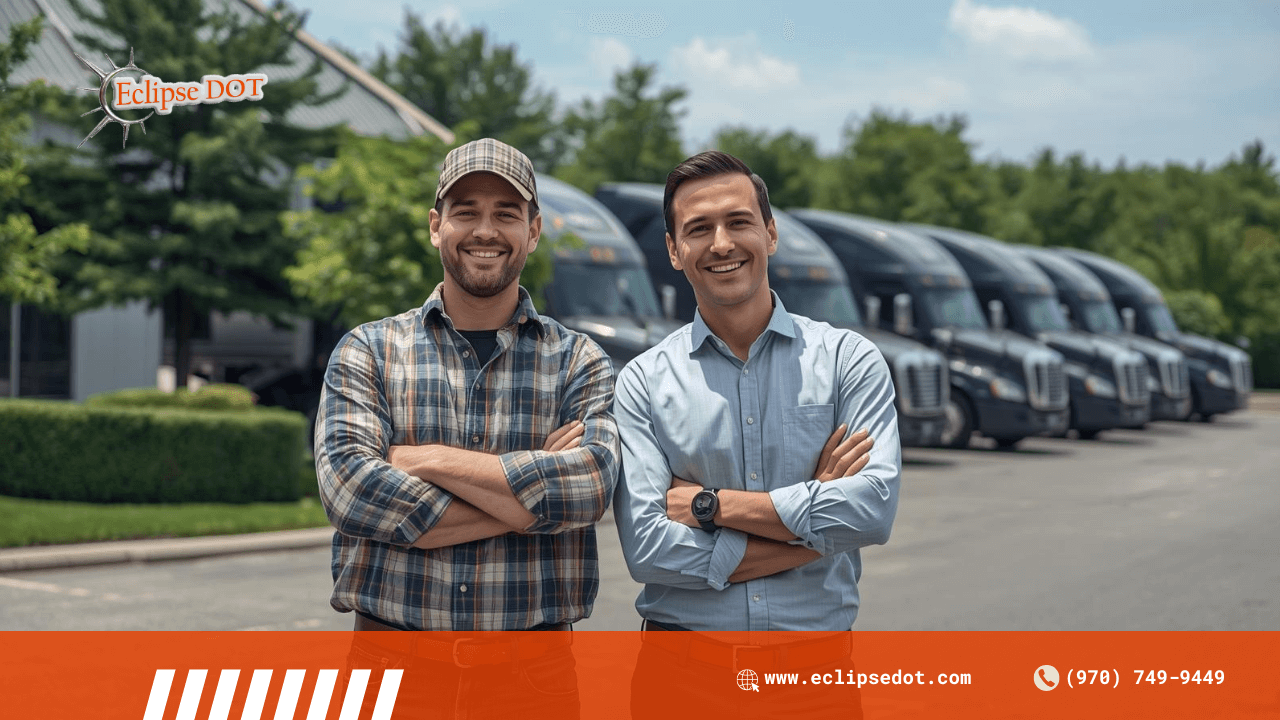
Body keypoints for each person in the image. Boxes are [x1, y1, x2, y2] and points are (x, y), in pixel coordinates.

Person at [314, 138, 620, 718]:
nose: (486, 230)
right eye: (466, 211)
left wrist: (422, 460)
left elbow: (589, 488)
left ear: (533, 231)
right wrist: (531, 504)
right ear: (436, 226)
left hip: (534, 682)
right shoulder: (368, 351)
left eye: (506, 213)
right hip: (390, 673)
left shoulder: (579, 360)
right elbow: (351, 491)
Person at [612, 151, 902, 718]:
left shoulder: (849, 361)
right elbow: (649, 552)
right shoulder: (643, 382)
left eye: (738, 222)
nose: (721, 243)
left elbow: (871, 513)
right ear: (674, 250)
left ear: (769, 233)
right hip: (681, 682)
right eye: (698, 229)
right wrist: (813, 527)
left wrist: (709, 505)